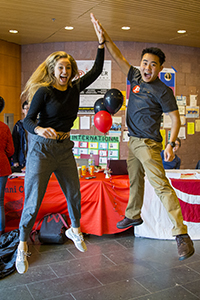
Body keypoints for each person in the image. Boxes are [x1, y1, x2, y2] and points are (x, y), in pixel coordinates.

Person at [90, 13, 194, 261]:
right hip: (133, 141)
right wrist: (104, 38)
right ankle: (134, 214)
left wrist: (170, 144)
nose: (147, 68)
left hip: (149, 144)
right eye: (145, 62)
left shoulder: (163, 91)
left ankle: (181, 234)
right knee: (135, 180)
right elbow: (118, 57)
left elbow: (176, 119)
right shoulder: (134, 76)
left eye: (153, 65)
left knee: (160, 185)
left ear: (159, 69)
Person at [15, 18, 105, 274]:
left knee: (73, 191)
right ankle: (22, 246)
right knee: (33, 200)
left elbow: (97, 71)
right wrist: (40, 129)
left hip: (64, 148)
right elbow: (27, 120)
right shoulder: (44, 92)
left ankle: (75, 230)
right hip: (42, 149)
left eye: (68, 68)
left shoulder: (75, 88)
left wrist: (101, 43)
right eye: (61, 68)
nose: (65, 72)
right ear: (54, 70)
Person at [0, 96, 15, 236]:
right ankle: (1, 231)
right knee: (0, 201)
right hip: (2, 167)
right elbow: (11, 151)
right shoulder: (4, 127)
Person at [11, 100, 29, 172]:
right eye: (26, 108)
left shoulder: (38, 126)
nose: (28, 110)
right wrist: (15, 160)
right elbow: (14, 143)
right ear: (23, 110)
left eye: (30, 108)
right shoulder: (18, 125)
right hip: (21, 158)